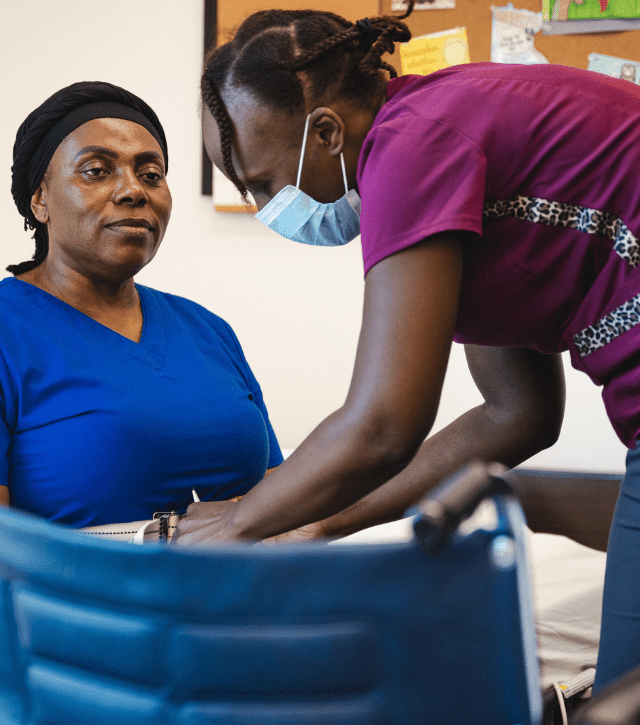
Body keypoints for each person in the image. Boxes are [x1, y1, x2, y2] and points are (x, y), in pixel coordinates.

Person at [174, 0, 640, 692]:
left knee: (621, 697)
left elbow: (384, 422)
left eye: (263, 184)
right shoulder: (450, 148)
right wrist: (304, 522)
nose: (267, 207)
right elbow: (517, 413)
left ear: (326, 132)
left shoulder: (410, 145)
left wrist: (240, 524)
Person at [2, 81, 282, 528]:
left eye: (152, 174)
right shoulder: (8, 332)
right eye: (96, 170)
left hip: (245, 595)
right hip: (80, 597)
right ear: (40, 199)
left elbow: (281, 498)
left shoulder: (207, 330)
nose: (134, 190)